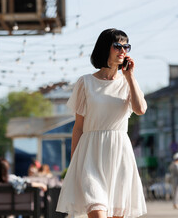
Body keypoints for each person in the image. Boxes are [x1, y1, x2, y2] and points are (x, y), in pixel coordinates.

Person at [56, 28, 147, 218]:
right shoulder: (85, 82)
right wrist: (74, 164)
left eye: (126, 46)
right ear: (106, 48)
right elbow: (78, 127)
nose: (123, 51)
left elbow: (140, 109)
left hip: (119, 155)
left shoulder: (128, 82)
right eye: (118, 46)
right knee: (97, 211)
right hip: (90, 154)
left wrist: (130, 77)